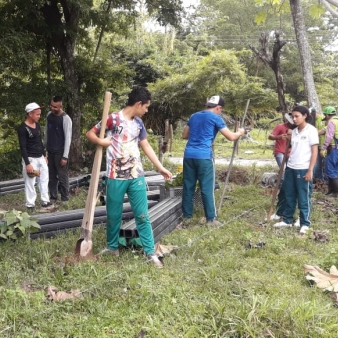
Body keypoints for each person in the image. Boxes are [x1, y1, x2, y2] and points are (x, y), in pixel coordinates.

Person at [86, 86, 172, 268]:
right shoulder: (112, 119)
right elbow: (90, 133)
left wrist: (160, 168)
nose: (146, 111)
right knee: (114, 214)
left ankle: (150, 252)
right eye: (146, 107)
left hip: (136, 175)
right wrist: (101, 141)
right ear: (139, 104)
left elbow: (146, 146)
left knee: (142, 215)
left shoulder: (138, 124)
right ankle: (112, 247)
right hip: (115, 176)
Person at [181, 95, 245, 226]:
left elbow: (184, 135)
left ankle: (186, 217)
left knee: (188, 186)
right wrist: (240, 132)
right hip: (204, 156)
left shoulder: (194, 116)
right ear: (218, 107)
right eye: (221, 109)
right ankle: (211, 219)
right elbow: (231, 137)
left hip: (188, 155)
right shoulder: (216, 118)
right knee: (207, 187)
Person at [273, 106, 318, 236]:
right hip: (291, 167)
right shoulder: (294, 131)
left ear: (305, 116)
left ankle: (305, 223)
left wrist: (310, 170)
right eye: (292, 116)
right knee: (289, 194)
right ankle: (287, 219)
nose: (294, 119)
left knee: (303, 197)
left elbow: (314, 151)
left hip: (303, 168)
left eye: (297, 116)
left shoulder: (311, 131)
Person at [18, 102, 52, 212]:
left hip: (40, 157)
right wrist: (27, 163)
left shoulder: (37, 125)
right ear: (30, 114)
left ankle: (45, 201)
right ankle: (30, 204)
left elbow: (39, 141)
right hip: (31, 158)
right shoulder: (22, 128)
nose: (39, 116)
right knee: (30, 181)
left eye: (39, 114)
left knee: (44, 179)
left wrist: (44, 155)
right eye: (37, 114)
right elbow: (23, 147)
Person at [45, 96, 72, 202]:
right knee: (51, 176)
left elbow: (68, 138)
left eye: (55, 107)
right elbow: (46, 132)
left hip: (60, 152)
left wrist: (65, 156)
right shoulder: (49, 115)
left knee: (62, 176)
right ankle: (53, 196)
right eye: (51, 105)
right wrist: (44, 146)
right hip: (50, 151)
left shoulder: (66, 119)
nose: (52, 108)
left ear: (61, 106)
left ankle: (65, 197)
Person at [321, 106, 338, 197]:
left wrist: (323, 148)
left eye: (325, 115)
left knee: (330, 170)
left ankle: (336, 192)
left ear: (327, 115)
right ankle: (332, 191)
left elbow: (329, 136)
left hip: (334, 149)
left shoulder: (332, 122)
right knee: (336, 170)